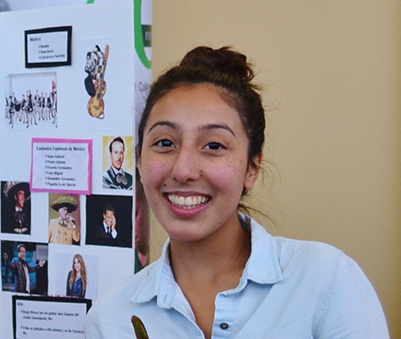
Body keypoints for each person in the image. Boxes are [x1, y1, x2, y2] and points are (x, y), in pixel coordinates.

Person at [85, 46, 388, 338]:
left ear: (252, 168)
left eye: (214, 145)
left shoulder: (325, 281)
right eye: (165, 142)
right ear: (138, 160)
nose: (183, 170)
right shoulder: (111, 317)